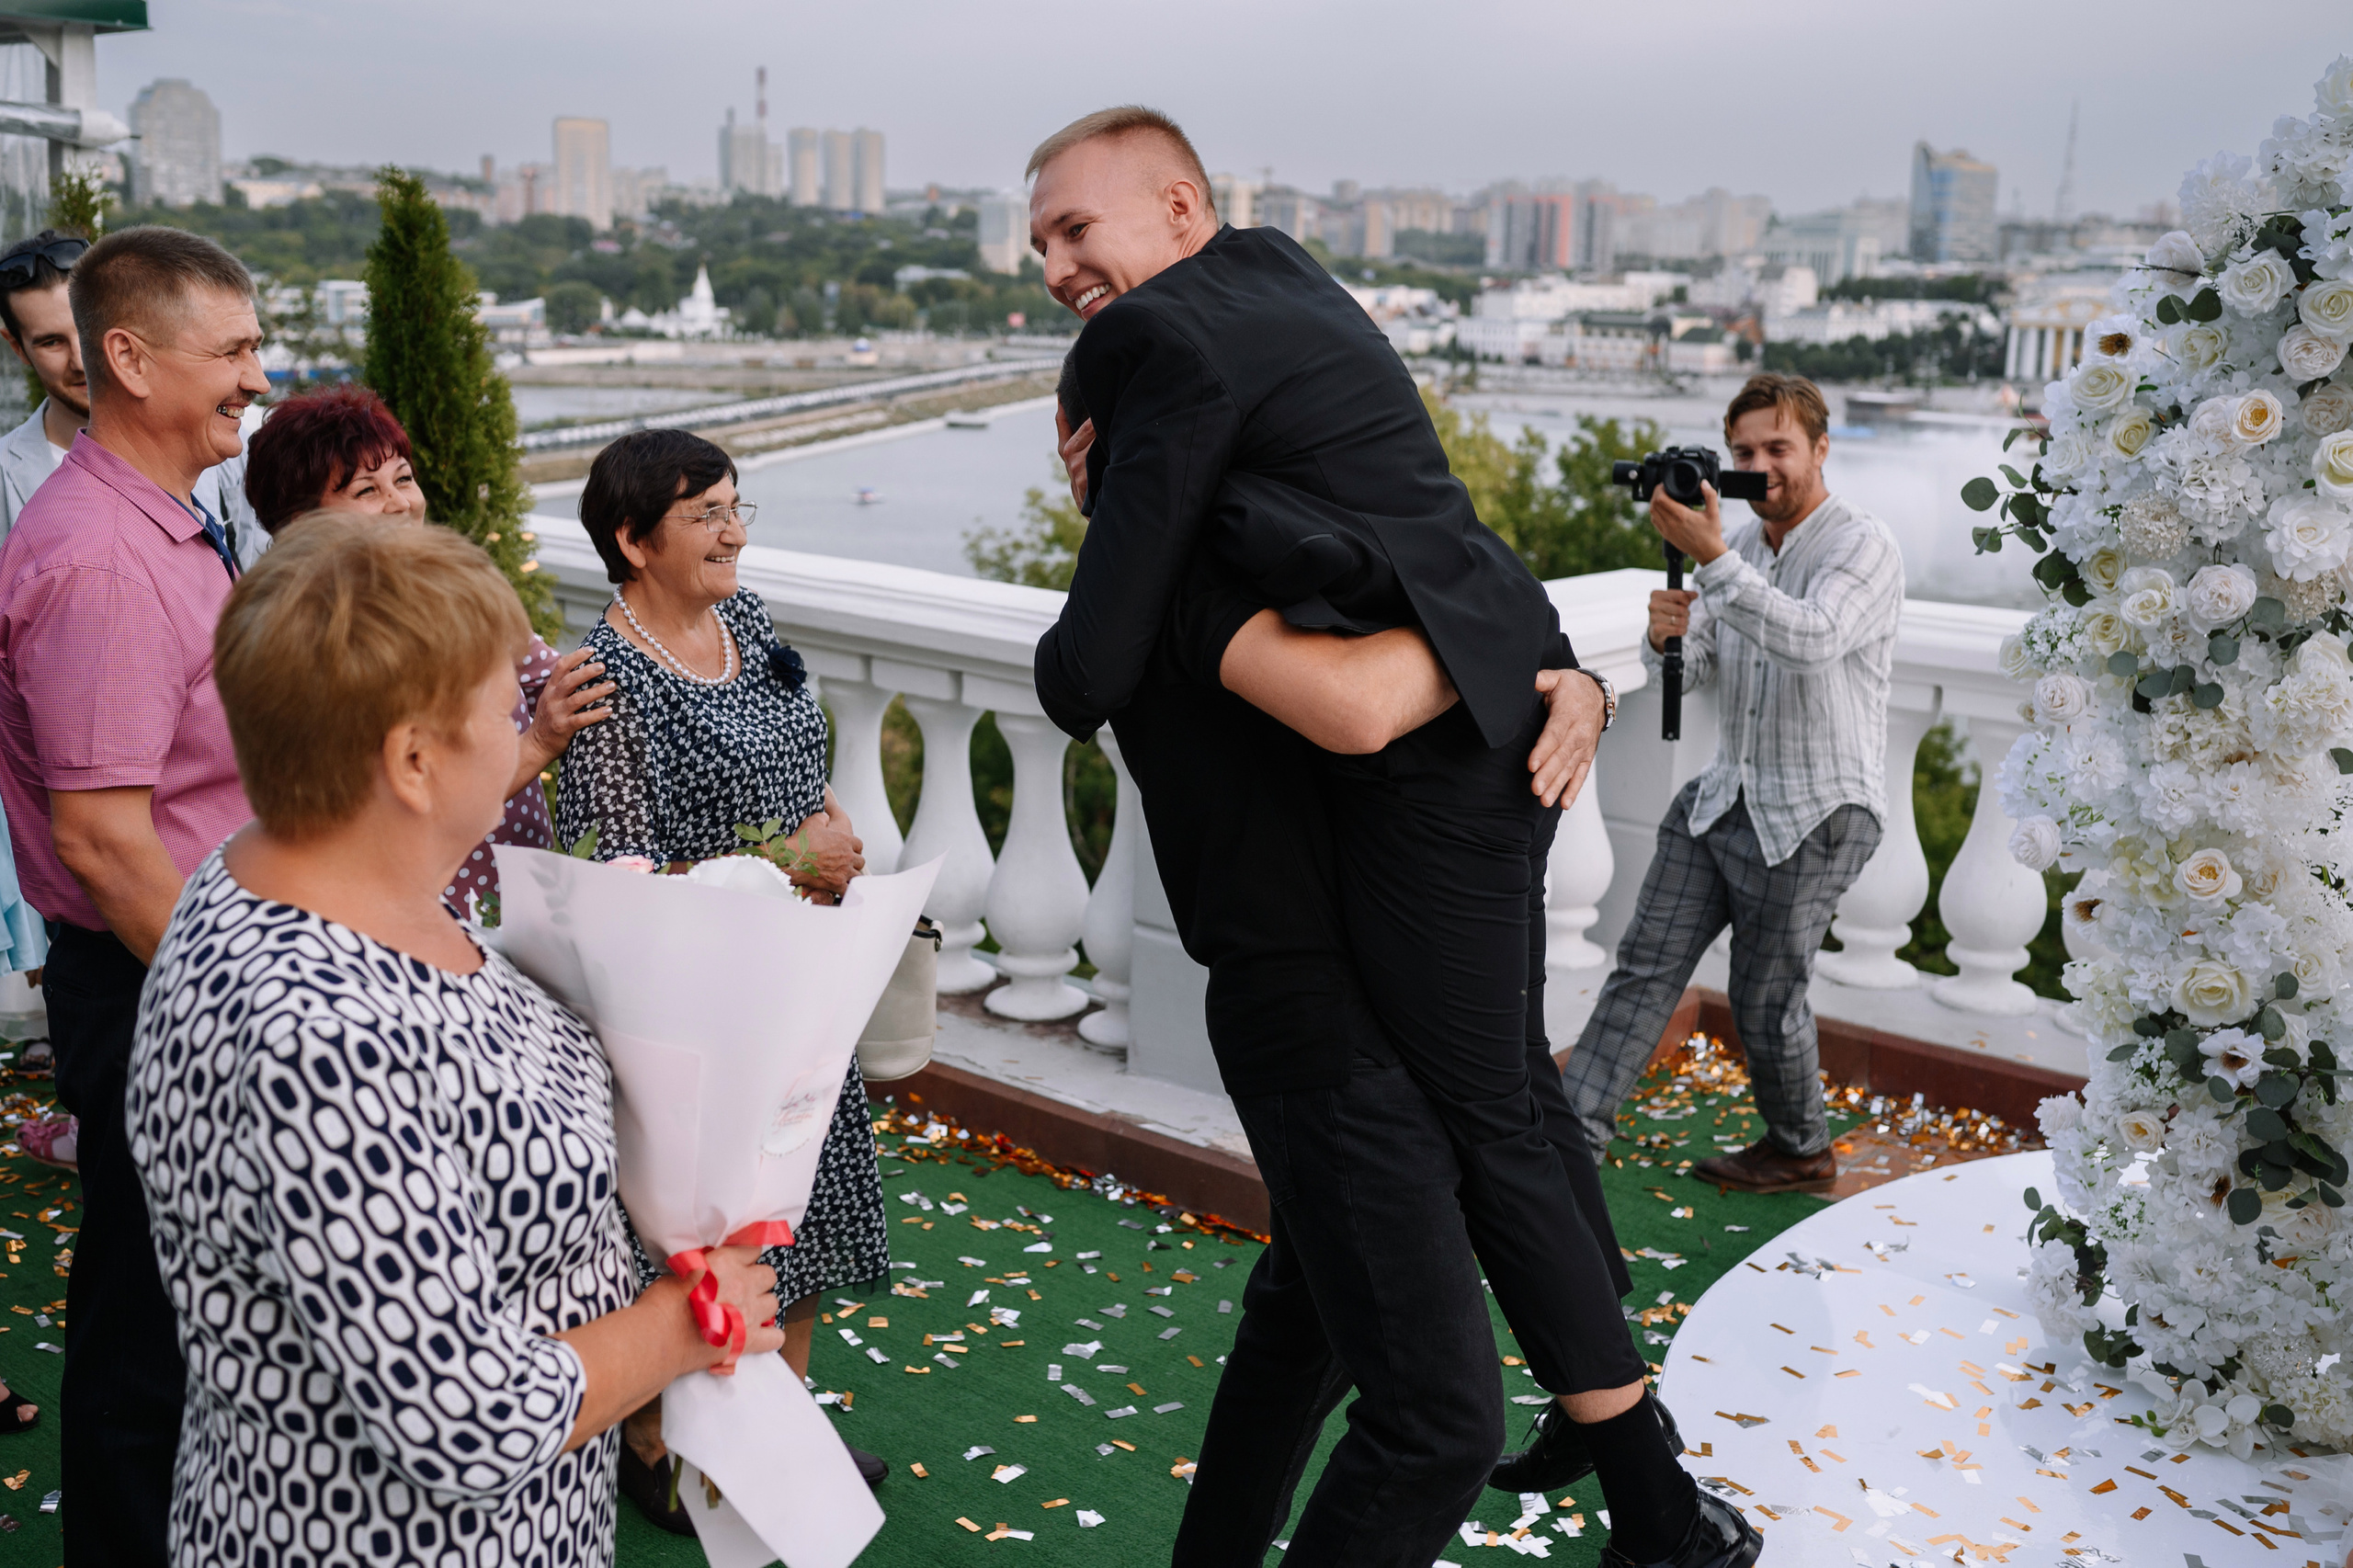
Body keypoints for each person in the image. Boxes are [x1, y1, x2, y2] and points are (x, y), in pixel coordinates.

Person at [1027, 108, 1753, 1568]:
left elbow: (1405, 559)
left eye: (1071, 233)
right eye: (1037, 247)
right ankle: (1646, 1484)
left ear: (1182, 213)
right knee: (1433, 1388)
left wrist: (1545, 659)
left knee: (1314, 1313)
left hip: (1347, 968)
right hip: (1308, 1000)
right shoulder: (1197, 574)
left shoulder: (1234, 491)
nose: (1052, 270)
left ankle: (1638, 1481)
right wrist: (1516, 641)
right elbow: (1359, 701)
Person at [128, 514, 782, 1567]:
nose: (527, 724)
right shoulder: (314, 1038)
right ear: (415, 759)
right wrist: (684, 1322)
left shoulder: (298, 870)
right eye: (504, 707)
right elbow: (466, 1417)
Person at [551, 427, 888, 1526]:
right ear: (630, 540)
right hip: (693, 996)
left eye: (737, 507)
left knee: (805, 1207)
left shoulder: (745, 616)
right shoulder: (604, 678)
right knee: (702, 1227)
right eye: (704, 515)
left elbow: (795, 753)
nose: (733, 531)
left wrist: (826, 848)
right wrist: (789, 861)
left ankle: (777, 1428)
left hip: (800, 970)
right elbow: (613, 878)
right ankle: (657, 1447)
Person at [0, 225, 269, 1565]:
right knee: (150, 1322)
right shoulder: (102, 557)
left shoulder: (172, 518)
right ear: (130, 356)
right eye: (231, 351)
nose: (253, 378)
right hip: (152, 978)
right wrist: (245, 1005)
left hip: (185, 963)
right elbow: (106, 842)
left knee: (189, 1307)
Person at [1562, 373, 1901, 1198]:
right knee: (1642, 970)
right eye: (1745, 451)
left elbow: (1814, 640)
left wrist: (1710, 558)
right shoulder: (1742, 548)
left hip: (1820, 811)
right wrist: (1661, 633)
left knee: (1762, 1000)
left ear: (1820, 449)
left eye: (1778, 448)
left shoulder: (1863, 546)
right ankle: (1563, 1149)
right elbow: (1699, 667)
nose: (1762, 466)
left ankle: (1801, 1148)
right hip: (1723, 798)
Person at [240, 381, 614, 915]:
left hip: (519, 898)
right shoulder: (311, 639)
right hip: (416, 917)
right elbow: (400, 805)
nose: (401, 505)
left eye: (404, 479)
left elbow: (546, 676)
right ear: (303, 524)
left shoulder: (446, 590)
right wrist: (537, 743)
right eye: (367, 491)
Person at [0, 229, 264, 554]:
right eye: (51, 342)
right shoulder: (4, 481)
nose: (81, 360)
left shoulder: (225, 450)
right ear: (17, 347)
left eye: (86, 331)